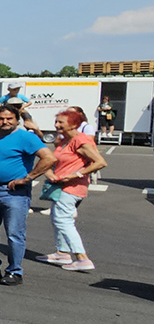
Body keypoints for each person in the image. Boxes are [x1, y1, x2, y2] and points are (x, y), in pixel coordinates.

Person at [0, 105, 54, 285]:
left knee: (15, 233)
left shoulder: (26, 137)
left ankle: (14, 271)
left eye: (9, 118)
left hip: (13, 193)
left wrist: (28, 178)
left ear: (17, 120)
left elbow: (49, 158)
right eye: (0, 119)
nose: (5, 122)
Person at [41, 108, 106, 272]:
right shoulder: (64, 140)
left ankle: (82, 257)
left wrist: (75, 174)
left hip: (72, 187)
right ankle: (62, 252)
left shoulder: (80, 140)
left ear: (74, 125)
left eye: (61, 122)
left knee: (64, 221)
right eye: (56, 122)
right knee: (57, 219)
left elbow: (99, 162)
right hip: (60, 186)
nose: (57, 125)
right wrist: (51, 173)